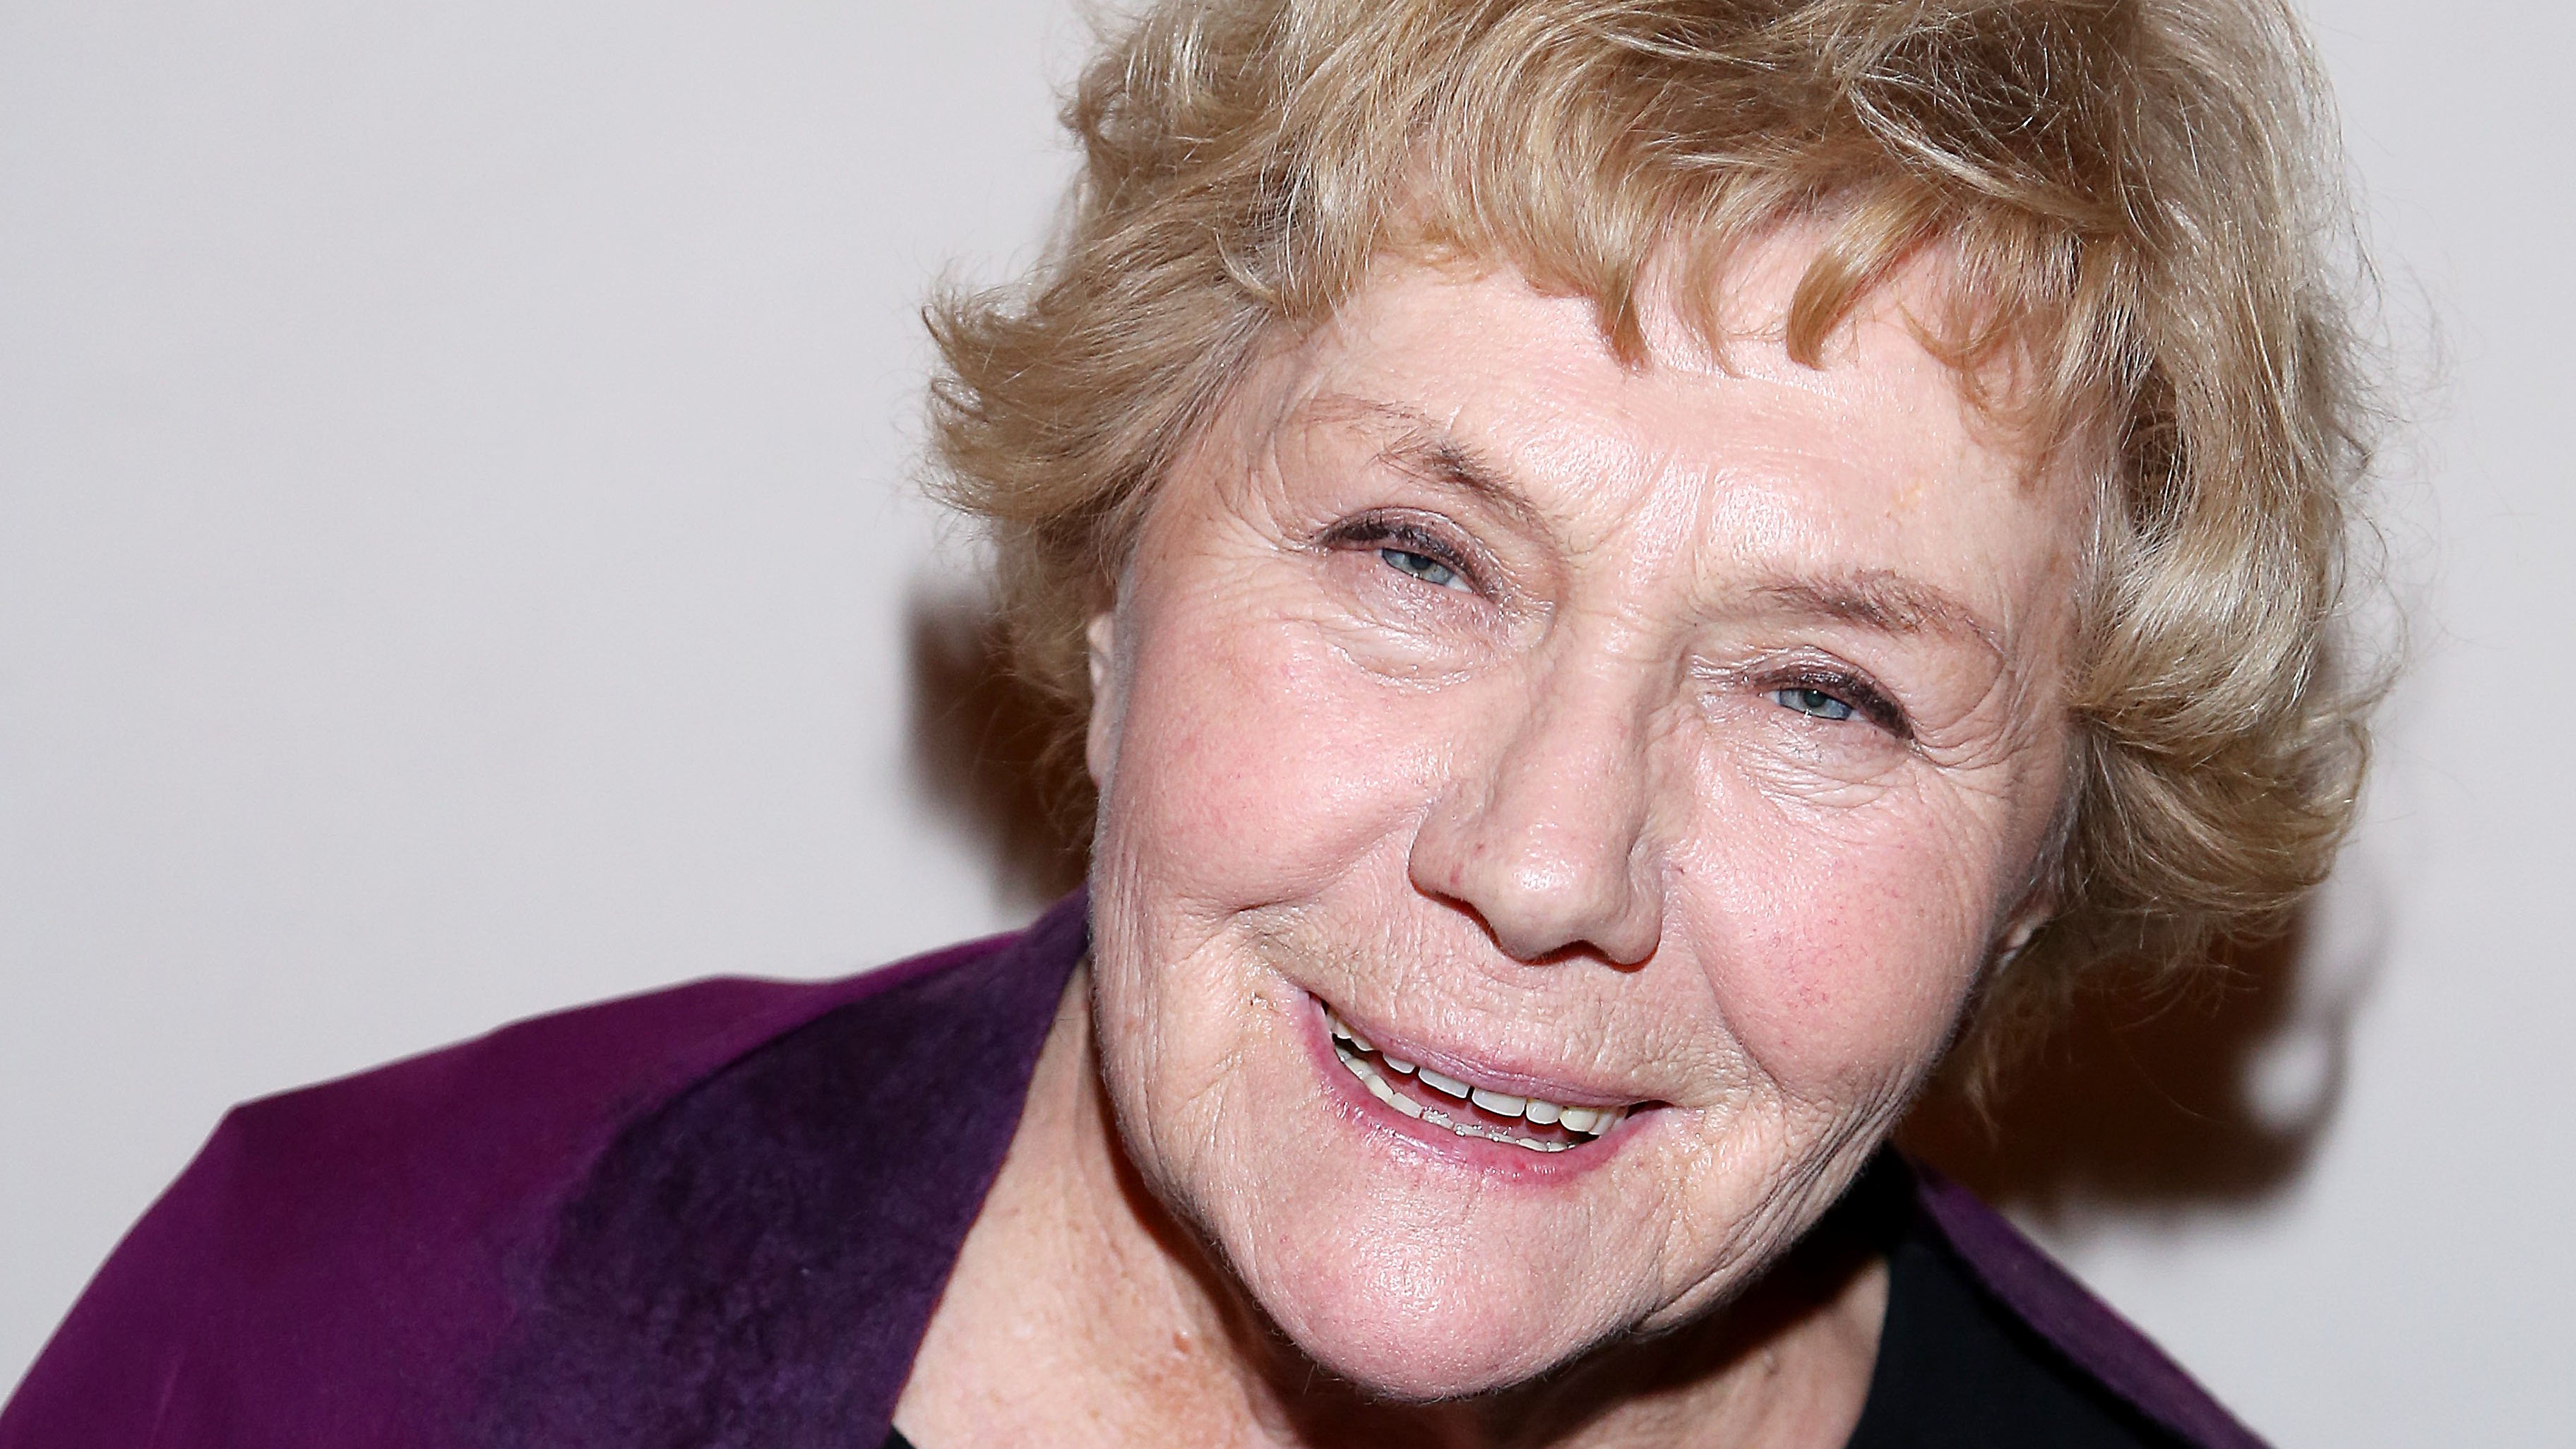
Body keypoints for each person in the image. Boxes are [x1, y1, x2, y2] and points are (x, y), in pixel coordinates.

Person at [1, 0, 2379, 1445]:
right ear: (1115, 561)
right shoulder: (347, 1344)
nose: (1548, 857)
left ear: (2048, 857)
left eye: (1824, 689)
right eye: (1419, 557)